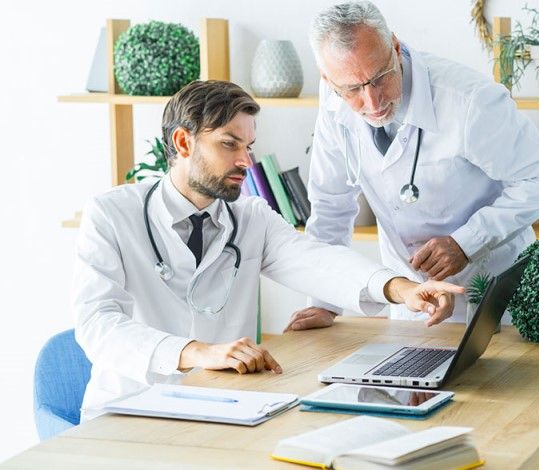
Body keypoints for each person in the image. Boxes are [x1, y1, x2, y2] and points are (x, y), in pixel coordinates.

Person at [72, 80, 464, 418]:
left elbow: (316, 261)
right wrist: (196, 352)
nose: (246, 161)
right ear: (182, 142)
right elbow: (97, 324)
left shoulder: (250, 216)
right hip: (130, 411)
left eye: (248, 146)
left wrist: (403, 289)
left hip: (223, 406)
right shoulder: (111, 215)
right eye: (230, 144)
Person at [295, 1, 539, 324]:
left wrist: (467, 242)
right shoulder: (333, 100)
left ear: (395, 47)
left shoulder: (469, 100)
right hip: (412, 301)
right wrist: (324, 303)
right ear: (328, 80)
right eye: (353, 89)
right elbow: (330, 206)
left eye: (380, 77)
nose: (373, 101)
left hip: (491, 294)